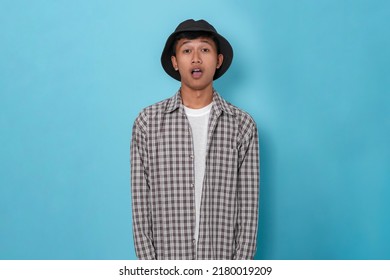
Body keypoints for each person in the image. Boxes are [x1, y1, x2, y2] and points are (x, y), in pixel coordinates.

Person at [131, 19, 259, 260]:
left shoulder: (242, 125)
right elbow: (140, 207)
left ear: (218, 60)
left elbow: (248, 210)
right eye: (187, 50)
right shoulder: (147, 123)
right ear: (175, 61)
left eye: (205, 49)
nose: (196, 58)